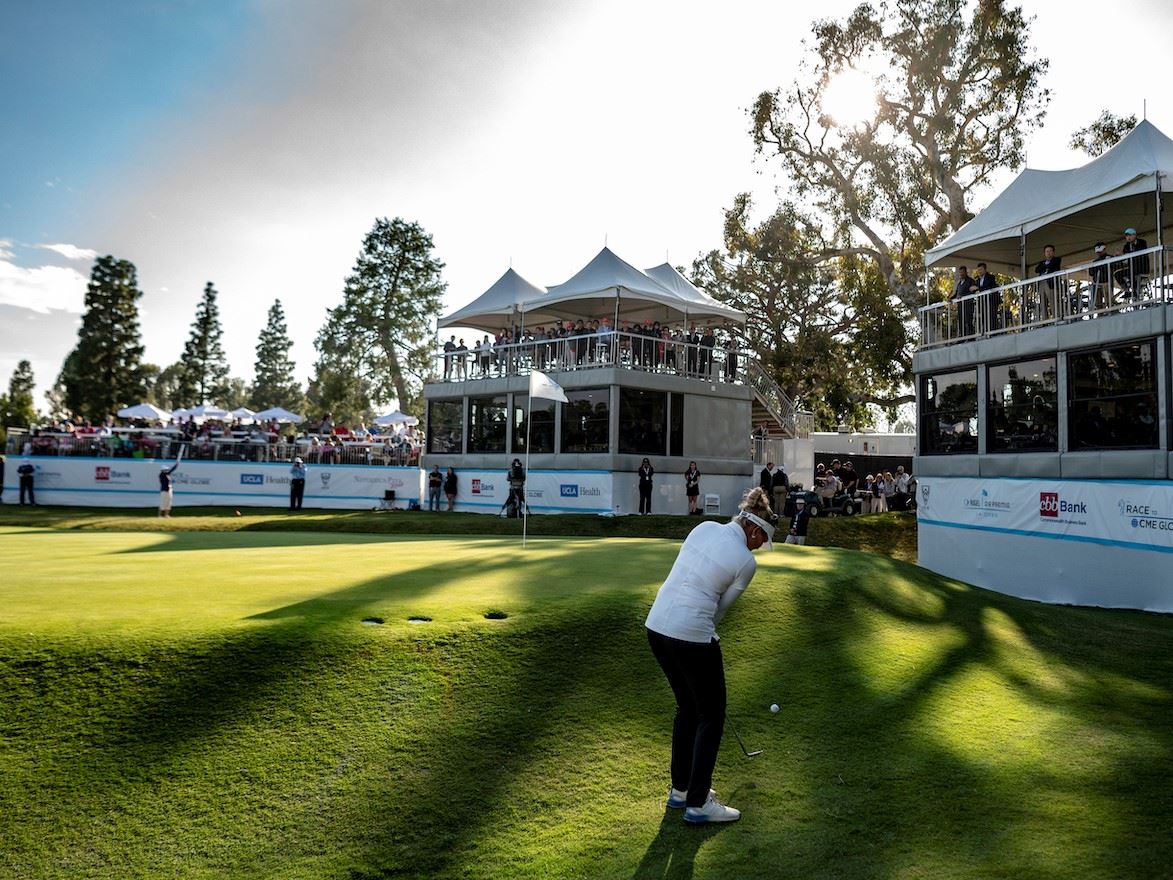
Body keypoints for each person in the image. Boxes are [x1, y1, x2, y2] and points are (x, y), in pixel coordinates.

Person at [645, 486, 778, 825]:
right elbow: (719, 612)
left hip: (657, 627)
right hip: (691, 633)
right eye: (763, 537)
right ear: (752, 528)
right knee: (712, 715)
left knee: (688, 708)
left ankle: (681, 790)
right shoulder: (745, 562)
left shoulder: (703, 527)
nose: (762, 545)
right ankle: (699, 801)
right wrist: (704, 634)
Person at [1115, 227, 1150, 301]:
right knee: (1117, 274)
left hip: (1142, 267)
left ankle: (1134, 292)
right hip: (1132, 267)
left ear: (1135, 235)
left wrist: (1124, 254)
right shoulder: (1126, 246)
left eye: (1130, 235)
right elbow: (1125, 258)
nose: (1128, 237)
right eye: (1127, 236)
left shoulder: (1142, 242)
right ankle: (1127, 290)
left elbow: (1139, 251)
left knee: (1130, 273)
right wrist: (1119, 256)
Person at [1034, 245, 1061, 321]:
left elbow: (1052, 265)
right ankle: (1044, 320)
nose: (1048, 253)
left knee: (1053, 301)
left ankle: (1056, 318)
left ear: (1053, 252)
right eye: (1047, 251)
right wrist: (1046, 266)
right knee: (1042, 302)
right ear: (1044, 253)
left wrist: (1046, 266)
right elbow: (1037, 270)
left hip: (1050, 282)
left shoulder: (1056, 259)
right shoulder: (1042, 262)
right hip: (1042, 283)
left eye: (1050, 251)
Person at [973, 262, 1000, 331]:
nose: (979, 271)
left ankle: (993, 332)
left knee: (991, 317)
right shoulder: (978, 280)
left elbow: (988, 287)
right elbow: (975, 290)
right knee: (983, 317)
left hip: (991, 301)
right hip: (982, 302)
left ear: (985, 270)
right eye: (978, 270)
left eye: (981, 269)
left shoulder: (990, 277)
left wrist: (978, 288)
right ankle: (985, 331)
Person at [950, 266, 976, 337]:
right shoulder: (959, 283)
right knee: (961, 321)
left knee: (968, 321)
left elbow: (973, 291)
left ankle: (971, 337)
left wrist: (963, 296)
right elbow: (957, 294)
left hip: (968, 305)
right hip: (960, 306)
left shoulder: (970, 281)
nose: (961, 274)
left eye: (962, 272)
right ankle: (962, 337)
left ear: (966, 272)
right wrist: (951, 298)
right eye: (960, 272)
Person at [1089, 242, 1113, 311]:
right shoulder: (1095, 261)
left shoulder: (1110, 258)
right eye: (1098, 252)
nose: (1099, 253)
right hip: (1097, 283)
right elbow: (1091, 272)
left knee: (1109, 301)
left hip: (1106, 282)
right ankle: (1100, 313)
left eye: (1100, 251)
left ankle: (1112, 311)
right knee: (1098, 302)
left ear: (1105, 249)